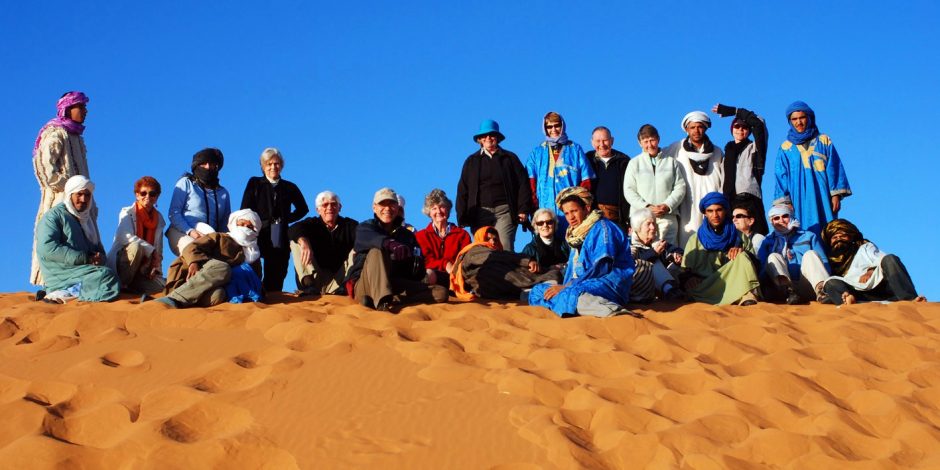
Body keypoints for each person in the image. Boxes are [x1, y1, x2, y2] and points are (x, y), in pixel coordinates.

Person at [528, 187, 635, 318]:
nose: (570, 217)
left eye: (574, 211)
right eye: (566, 213)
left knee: (571, 294)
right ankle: (571, 306)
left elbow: (602, 268)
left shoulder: (603, 228)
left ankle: (611, 310)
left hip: (607, 283)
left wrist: (566, 287)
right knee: (537, 292)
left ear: (587, 208)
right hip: (579, 284)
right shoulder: (576, 234)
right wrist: (564, 287)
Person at [344, 188, 448, 311]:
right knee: (377, 251)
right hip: (365, 284)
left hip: (394, 283)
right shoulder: (366, 227)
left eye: (391, 204)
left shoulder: (407, 235)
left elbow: (417, 268)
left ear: (398, 208)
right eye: (383, 204)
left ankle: (390, 299)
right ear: (374, 207)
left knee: (440, 293)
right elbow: (368, 237)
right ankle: (382, 304)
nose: (387, 208)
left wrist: (414, 264)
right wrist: (391, 244)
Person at [31, 91, 92, 286]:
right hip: (58, 202)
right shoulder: (55, 132)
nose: (85, 111)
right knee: (54, 242)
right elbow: (43, 166)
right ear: (67, 108)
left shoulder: (77, 138)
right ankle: (50, 285)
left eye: (85, 107)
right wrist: (67, 188)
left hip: (81, 204)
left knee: (81, 242)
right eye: (80, 107)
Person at [35, 175, 119, 302]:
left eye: (87, 195)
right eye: (79, 194)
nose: (83, 199)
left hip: (82, 270)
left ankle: (68, 294)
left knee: (111, 273)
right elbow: (48, 248)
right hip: (61, 273)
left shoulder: (88, 220)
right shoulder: (53, 217)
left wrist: (98, 258)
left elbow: (99, 250)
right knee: (106, 277)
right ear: (70, 195)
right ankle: (62, 293)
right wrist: (84, 258)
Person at [773, 101, 852, 235]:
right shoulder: (785, 148)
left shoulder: (823, 141)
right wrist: (785, 203)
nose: (799, 122)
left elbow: (834, 167)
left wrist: (836, 195)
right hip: (798, 199)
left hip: (823, 197)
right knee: (802, 231)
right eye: (794, 119)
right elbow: (781, 177)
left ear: (809, 118)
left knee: (828, 229)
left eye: (802, 118)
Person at [157, 209, 263, 308]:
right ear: (234, 223)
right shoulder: (218, 237)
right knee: (222, 267)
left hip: (212, 285)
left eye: (249, 226)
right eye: (241, 224)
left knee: (219, 295)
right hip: (189, 276)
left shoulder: (253, 254)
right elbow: (191, 248)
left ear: (255, 230)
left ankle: (183, 303)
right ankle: (172, 299)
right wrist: (194, 263)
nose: (244, 228)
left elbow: (255, 280)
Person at [240, 148, 309, 292]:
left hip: (279, 232)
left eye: (276, 164)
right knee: (252, 267)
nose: (273, 167)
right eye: (269, 164)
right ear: (263, 166)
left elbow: (303, 209)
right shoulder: (255, 183)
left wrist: (286, 219)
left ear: (281, 165)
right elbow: (245, 208)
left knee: (277, 271)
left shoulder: (289, 187)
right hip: (257, 230)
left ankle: (272, 298)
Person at [456, 119, 532, 251]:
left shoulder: (510, 158)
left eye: (492, 135)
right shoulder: (471, 161)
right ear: (479, 139)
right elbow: (463, 189)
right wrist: (462, 216)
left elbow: (523, 184)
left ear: (497, 137)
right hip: (480, 213)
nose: (488, 138)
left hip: (506, 211)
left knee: (505, 246)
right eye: (484, 136)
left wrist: (523, 209)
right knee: (483, 250)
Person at [681, 192, 761, 306]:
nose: (715, 215)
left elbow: (755, 266)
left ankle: (745, 295)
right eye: (710, 211)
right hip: (707, 285)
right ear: (705, 213)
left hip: (733, 282)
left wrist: (742, 253)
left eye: (719, 210)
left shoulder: (739, 236)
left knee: (743, 257)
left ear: (725, 211)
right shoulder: (695, 239)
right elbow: (685, 270)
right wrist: (690, 279)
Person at [820, 219, 925, 305]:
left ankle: (910, 300)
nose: (839, 239)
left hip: (877, 285)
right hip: (856, 292)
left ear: (851, 237)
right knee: (830, 282)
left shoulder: (864, 247)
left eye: (842, 236)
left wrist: (870, 271)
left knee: (890, 259)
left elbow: (881, 259)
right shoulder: (830, 260)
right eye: (835, 237)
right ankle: (849, 302)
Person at [526, 112, 595, 232]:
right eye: (549, 126)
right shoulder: (537, 153)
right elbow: (530, 183)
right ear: (545, 128)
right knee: (547, 246)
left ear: (562, 126)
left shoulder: (575, 149)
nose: (553, 129)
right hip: (545, 211)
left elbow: (587, 180)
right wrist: (533, 208)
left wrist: (580, 204)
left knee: (572, 245)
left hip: (571, 211)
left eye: (557, 125)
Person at [663, 112, 724, 247]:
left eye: (700, 127)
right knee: (687, 239)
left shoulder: (717, 152)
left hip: (710, 204)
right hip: (687, 203)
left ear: (706, 128)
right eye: (692, 127)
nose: (696, 131)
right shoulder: (676, 148)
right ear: (686, 129)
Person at [450, 227, 560, 301]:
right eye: (487, 239)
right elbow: (496, 256)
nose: (492, 242)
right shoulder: (474, 250)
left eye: (495, 239)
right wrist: (526, 260)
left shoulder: (500, 254)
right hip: (494, 288)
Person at [624, 124, 686, 246]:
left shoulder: (671, 162)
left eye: (652, 140)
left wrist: (667, 205)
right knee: (643, 255)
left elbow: (680, 187)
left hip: (667, 217)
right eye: (645, 141)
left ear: (658, 139)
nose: (649, 145)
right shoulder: (634, 163)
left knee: (668, 254)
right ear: (639, 143)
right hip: (642, 219)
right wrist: (646, 206)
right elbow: (629, 190)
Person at [713, 103, 769, 235]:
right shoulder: (726, 154)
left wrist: (735, 111)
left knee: (755, 239)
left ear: (749, 131)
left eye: (744, 127)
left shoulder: (755, 149)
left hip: (749, 200)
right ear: (732, 129)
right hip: (728, 202)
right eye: (737, 126)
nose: (740, 129)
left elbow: (759, 124)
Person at [757, 205, 831, 304]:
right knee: (773, 257)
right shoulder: (767, 240)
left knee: (810, 254)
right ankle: (789, 292)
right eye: (776, 218)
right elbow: (761, 267)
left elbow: (824, 262)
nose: (781, 220)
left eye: (785, 216)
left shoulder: (809, 236)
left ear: (791, 216)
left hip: (807, 285)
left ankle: (822, 291)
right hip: (781, 290)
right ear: (771, 221)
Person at [289, 191, 359, 295]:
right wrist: (304, 241)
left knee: (359, 247)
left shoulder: (350, 225)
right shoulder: (312, 224)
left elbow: (366, 235)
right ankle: (309, 285)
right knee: (297, 242)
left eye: (333, 204)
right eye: (325, 205)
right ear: (318, 210)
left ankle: (345, 288)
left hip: (340, 281)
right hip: (316, 280)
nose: (330, 208)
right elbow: (292, 230)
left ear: (339, 207)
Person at [106, 176, 166, 295]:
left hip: (142, 271)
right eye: (143, 193)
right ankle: (122, 286)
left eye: (152, 194)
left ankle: (133, 287)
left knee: (161, 288)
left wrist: (156, 269)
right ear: (137, 195)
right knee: (135, 247)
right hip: (122, 264)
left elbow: (159, 249)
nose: (147, 197)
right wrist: (151, 251)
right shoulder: (127, 212)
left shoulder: (159, 220)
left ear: (157, 197)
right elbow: (123, 235)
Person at [166, 148, 232, 256]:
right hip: (181, 231)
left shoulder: (223, 193)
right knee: (196, 254)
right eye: (203, 164)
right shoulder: (186, 183)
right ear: (196, 165)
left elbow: (224, 226)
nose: (207, 167)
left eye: (211, 164)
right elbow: (174, 213)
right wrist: (191, 231)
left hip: (210, 237)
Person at [415, 189, 471, 287]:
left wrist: (454, 269)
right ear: (429, 212)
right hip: (434, 279)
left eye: (442, 207)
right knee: (428, 274)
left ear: (448, 209)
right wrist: (445, 264)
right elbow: (426, 261)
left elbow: (466, 259)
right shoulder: (421, 236)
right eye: (434, 208)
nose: (438, 211)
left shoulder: (462, 235)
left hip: (459, 278)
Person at [629, 209, 684, 302]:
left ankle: (673, 290)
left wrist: (675, 256)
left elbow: (677, 250)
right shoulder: (628, 245)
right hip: (635, 288)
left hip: (656, 289)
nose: (653, 227)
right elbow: (629, 264)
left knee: (676, 265)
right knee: (653, 263)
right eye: (648, 224)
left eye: (654, 223)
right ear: (638, 227)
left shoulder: (656, 243)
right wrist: (653, 253)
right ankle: (670, 290)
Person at [586, 126, 631, 229]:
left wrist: (628, 220)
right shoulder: (586, 160)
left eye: (605, 140)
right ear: (592, 142)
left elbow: (630, 192)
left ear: (612, 141)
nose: (602, 145)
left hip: (618, 219)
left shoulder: (624, 162)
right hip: (592, 219)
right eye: (598, 141)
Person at [521, 208, 569, 274]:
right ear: (536, 226)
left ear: (554, 224)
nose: (545, 225)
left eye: (549, 222)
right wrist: (549, 269)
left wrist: (565, 266)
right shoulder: (529, 249)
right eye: (540, 223)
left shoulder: (565, 245)